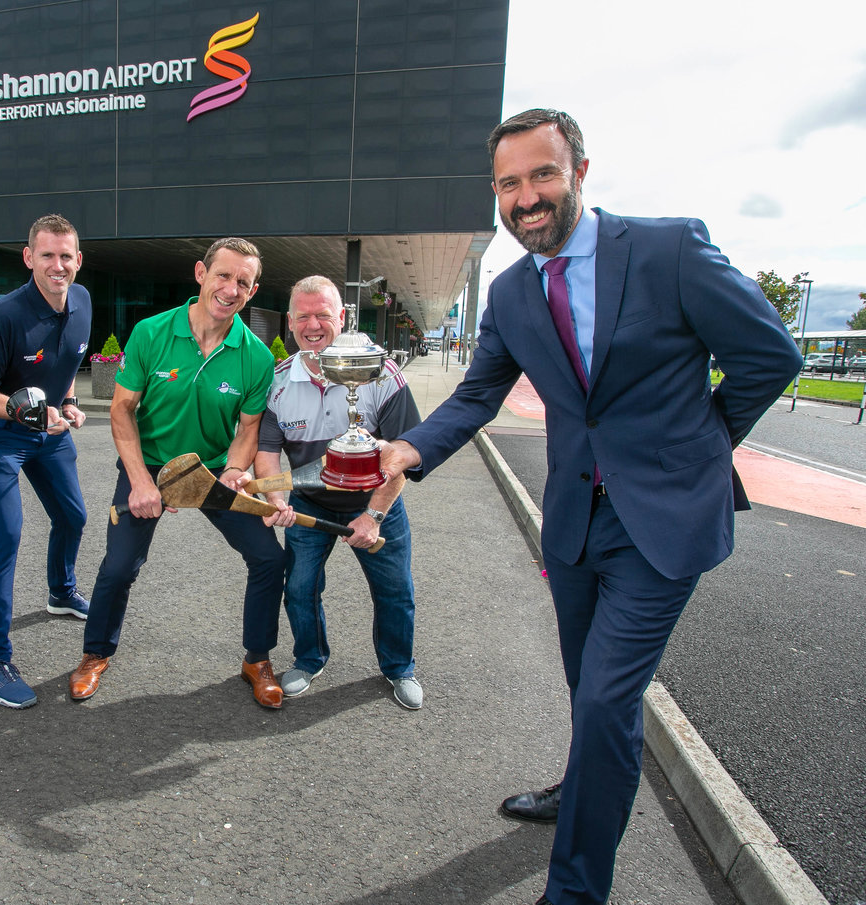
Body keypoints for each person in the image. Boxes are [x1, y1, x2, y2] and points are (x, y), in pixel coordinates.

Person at [379, 109, 802, 905]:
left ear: (579, 171)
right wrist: (412, 448)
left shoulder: (669, 248)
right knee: (590, 688)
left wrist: (702, 444)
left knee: (609, 697)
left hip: (664, 522)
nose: (527, 196)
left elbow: (770, 355)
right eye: (509, 183)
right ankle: (582, 791)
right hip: (575, 522)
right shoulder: (509, 290)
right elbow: (477, 392)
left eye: (542, 174)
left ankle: (576, 890)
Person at [68, 238, 287, 709]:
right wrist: (142, 482)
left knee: (269, 559)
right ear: (200, 274)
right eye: (223, 276)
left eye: (243, 282)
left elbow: (249, 430)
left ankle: (257, 659)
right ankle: (94, 654)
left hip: (209, 469)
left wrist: (234, 470)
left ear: (253, 290)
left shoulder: (256, 357)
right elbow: (122, 411)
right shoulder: (151, 332)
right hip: (148, 464)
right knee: (120, 566)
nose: (231, 288)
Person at [254, 276, 424, 708]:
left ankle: (399, 668)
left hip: (376, 504)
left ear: (343, 319)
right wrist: (276, 499)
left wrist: (375, 516)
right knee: (300, 588)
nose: (313, 325)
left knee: (394, 592)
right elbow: (268, 452)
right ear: (289, 322)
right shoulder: (276, 382)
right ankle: (310, 659)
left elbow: (403, 455)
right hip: (310, 502)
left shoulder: (381, 375)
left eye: (324, 315)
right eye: (303, 316)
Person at [0, 214, 92, 710]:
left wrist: (73, 403)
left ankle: (61, 592)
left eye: (66, 256)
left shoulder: (81, 300)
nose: (57, 266)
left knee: (74, 516)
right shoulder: (2, 318)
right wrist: (32, 411)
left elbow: (67, 365)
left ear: (77, 260)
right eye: (47, 256)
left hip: (51, 432)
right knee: (7, 537)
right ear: (28, 258)